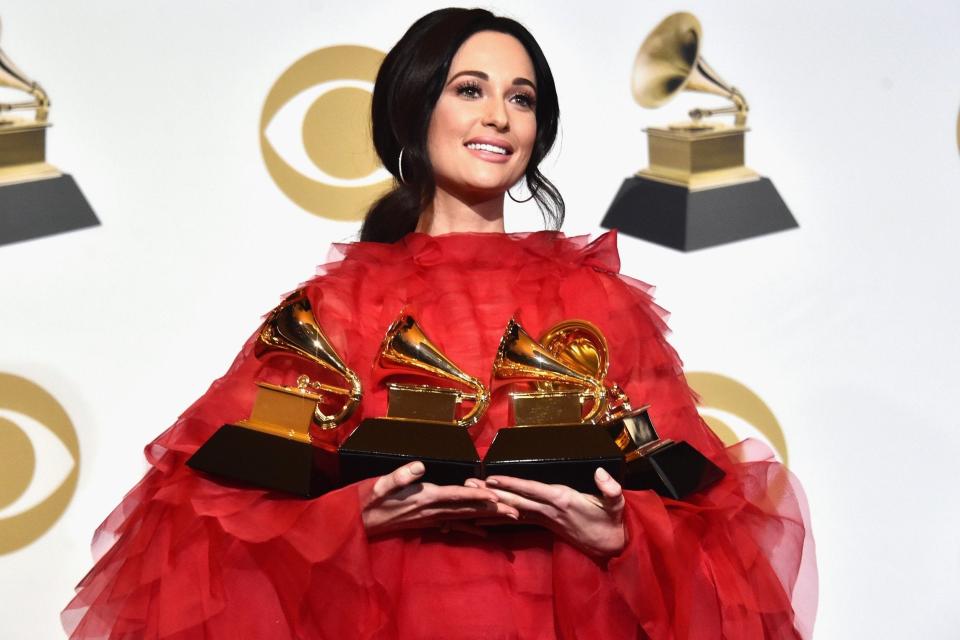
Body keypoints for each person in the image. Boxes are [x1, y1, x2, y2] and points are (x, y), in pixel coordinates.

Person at [63, 8, 816, 639]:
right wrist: (349, 519)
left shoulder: (603, 308)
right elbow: (202, 528)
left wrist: (622, 534)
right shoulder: (335, 312)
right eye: (470, 89)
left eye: (521, 99)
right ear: (415, 106)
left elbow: (709, 526)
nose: (498, 115)